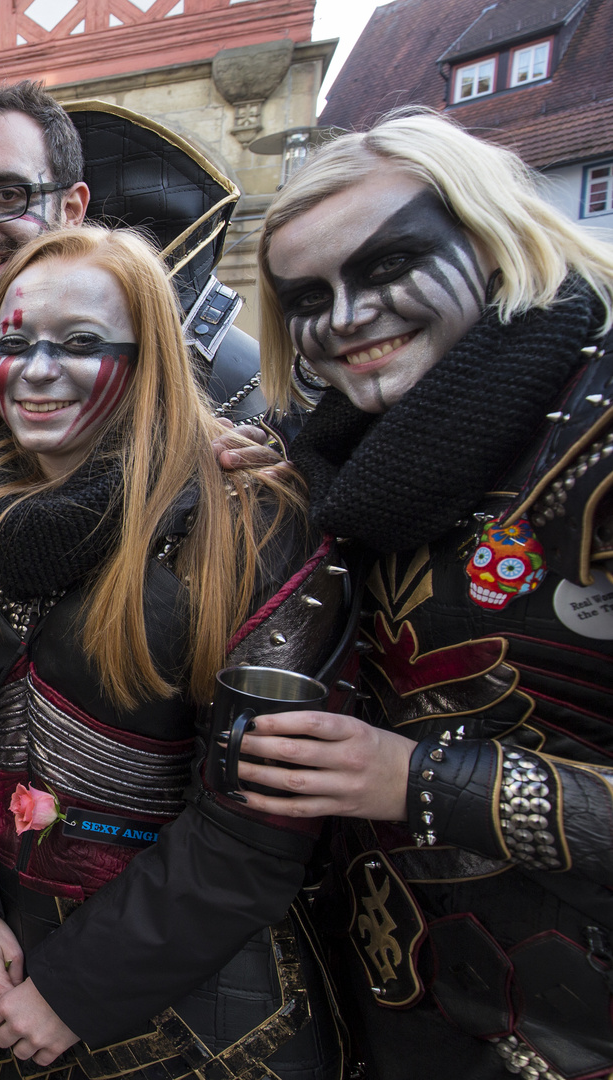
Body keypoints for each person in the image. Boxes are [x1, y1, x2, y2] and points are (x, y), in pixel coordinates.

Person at [234, 109, 613, 1080]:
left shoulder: (595, 434)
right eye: (307, 297)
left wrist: (422, 782)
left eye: (389, 264)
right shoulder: (337, 463)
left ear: (489, 240)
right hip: (400, 1013)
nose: (347, 317)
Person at [0, 225, 347, 1078]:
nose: (38, 370)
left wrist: (76, 989)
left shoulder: (248, 519)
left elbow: (258, 826)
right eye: (14, 343)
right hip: (4, 968)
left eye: (81, 343)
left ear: (146, 352)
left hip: (195, 1007)